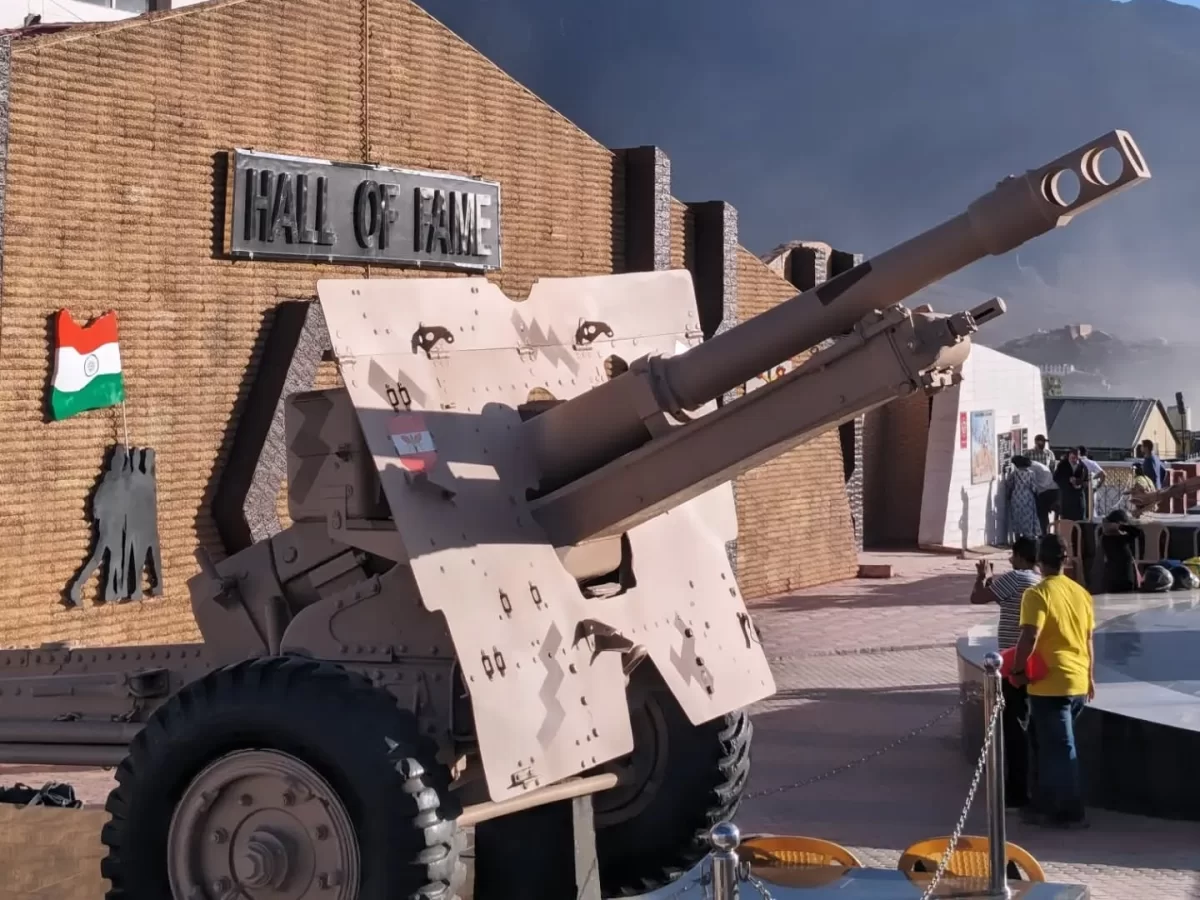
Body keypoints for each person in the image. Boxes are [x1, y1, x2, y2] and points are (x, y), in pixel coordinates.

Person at [1010, 534, 1095, 829]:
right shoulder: (1081, 593)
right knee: (1049, 748)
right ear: (1065, 560)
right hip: (1077, 681)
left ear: (1039, 561)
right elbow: (1088, 639)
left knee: (1059, 749)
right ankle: (1044, 805)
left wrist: (1017, 670)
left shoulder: (1037, 594)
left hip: (1050, 684)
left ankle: (1070, 812)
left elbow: (1029, 635)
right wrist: (1090, 677)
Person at [970, 537, 1042, 809]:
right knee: (1029, 725)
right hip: (1037, 664)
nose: (1010, 560)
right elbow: (1004, 601)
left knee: (1014, 728)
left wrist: (982, 577)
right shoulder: (1037, 580)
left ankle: (1016, 792)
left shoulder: (1015, 578)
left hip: (1014, 664)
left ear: (1021, 557)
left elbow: (978, 598)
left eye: (1013, 555)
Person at [1099, 509, 1141, 593]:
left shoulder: (1110, 538)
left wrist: (1119, 526)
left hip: (1123, 578)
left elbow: (1137, 532)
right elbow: (1136, 532)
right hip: (1118, 579)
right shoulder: (1109, 538)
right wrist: (1121, 526)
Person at [1005, 456, 1042, 539]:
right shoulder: (1031, 474)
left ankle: (1017, 540)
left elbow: (1009, 485)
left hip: (1016, 498)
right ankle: (1028, 539)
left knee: (1017, 519)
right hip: (1028, 498)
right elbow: (1034, 488)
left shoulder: (1014, 474)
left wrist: (1008, 495)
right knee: (1028, 519)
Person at [1054, 449, 1088, 522]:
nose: (1074, 460)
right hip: (1066, 496)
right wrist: (1068, 481)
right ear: (1069, 456)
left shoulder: (1083, 466)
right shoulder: (1062, 465)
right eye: (1072, 458)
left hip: (1078, 497)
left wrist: (1079, 484)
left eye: (1076, 458)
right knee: (1066, 519)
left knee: (1079, 519)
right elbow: (1056, 478)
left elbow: (1086, 482)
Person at [1029, 457, 1059, 535]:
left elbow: (1031, 483)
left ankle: (1045, 535)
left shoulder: (1030, 467)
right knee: (1057, 515)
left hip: (1045, 492)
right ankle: (1053, 534)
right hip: (1055, 490)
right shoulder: (1038, 465)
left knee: (1042, 516)